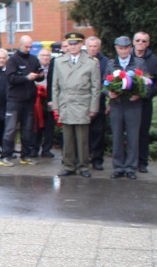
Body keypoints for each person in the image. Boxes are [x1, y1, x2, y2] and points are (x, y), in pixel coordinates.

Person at [52, 32, 100, 178]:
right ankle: (68, 165)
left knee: (82, 138)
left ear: (81, 45)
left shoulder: (91, 62)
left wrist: (93, 108)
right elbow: (55, 86)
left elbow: (95, 88)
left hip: (82, 103)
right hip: (66, 102)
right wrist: (56, 106)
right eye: (70, 44)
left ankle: (83, 166)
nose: (73, 47)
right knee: (67, 138)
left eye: (76, 44)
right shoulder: (59, 61)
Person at [0, 35, 43, 167]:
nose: (28, 49)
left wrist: (40, 76)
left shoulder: (33, 59)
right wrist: (26, 77)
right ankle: (6, 156)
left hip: (29, 100)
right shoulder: (13, 60)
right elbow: (11, 78)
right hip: (14, 100)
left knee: (28, 129)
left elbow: (39, 75)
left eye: (30, 47)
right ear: (20, 44)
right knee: (10, 129)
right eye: (26, 46)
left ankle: (26, 155)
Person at [108, 36, 145, 179]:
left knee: (133, 137)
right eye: (120, 48)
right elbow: (104, 83)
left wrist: (140, 94)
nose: (123, 51)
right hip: (116, 105)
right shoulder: (111, 64)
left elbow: (147, 84)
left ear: (131, 48)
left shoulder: (139, 63)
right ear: (116, 48)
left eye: (126, 48)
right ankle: (118, 167)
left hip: (133, 105)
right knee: (116, 136)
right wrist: (109, 93)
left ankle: (130, 167)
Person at [132, 31, 157, 173]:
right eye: (138, 40)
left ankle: (142, 163)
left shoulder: (154, 60)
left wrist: (148, 93)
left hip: (145, 102)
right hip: (128, 102)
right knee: (128, 133)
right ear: (133, 42)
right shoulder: (127, 57)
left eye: (144, 41)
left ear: (148, 43)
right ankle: (129, 162)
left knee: (143, 133)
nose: (141, 43)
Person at [85, 36, 109, 170]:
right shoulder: (82, 60)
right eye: (90, 46)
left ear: (98, 47)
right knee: (84, 132)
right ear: (86, 47)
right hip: (83, 101)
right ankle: (84, 157)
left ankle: (97, 159)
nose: (93, 49)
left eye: (95, 46)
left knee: (98, 132)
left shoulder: (105, 62)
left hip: (99, 101)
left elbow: (108, 82)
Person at [33, 47, 56, 158]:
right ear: (39, 57)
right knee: (36, 126)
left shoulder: (54, 68)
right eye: (43, 55)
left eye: (48, 56)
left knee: (49, 126)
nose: (46, 58)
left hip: (50, 100)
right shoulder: (35, 68)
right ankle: (35, 148)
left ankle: (46, 149)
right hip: (37, 101)